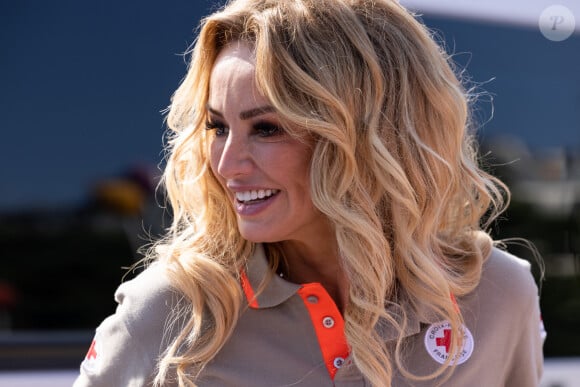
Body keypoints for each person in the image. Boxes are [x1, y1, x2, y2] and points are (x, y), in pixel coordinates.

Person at [74, 0, 545, 385]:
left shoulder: (498, 296)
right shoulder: (170, 309)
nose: (226, 163)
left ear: (372, 138)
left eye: (267, 128)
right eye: (218, 127)